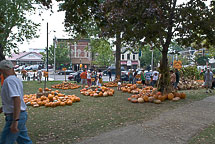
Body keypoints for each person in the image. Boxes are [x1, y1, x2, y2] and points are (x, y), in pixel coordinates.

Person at [0, 60, 32, 144]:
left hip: (15, 116)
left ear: (1, 70)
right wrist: (3, 108)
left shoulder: (9, 81)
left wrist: (15, 121)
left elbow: (17, 100)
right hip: (19, 115)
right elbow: (11, 101)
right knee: (24, 141)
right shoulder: (15, 80)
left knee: (5, 141)